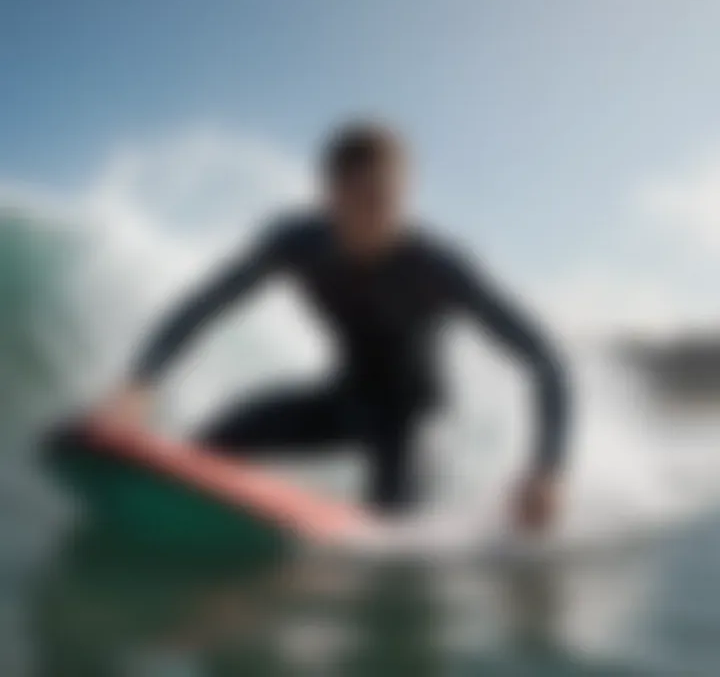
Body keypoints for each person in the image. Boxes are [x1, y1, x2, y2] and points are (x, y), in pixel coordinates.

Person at [89, 122, 569, 530]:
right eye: (355, 202)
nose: (371, 219)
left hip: (413, 421)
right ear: (328, 195)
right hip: (345, 400)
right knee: (210, 446)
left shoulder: (438, 268)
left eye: (385, 202)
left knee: (390, 540)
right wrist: (141, 380)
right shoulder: (298, 243)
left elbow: (544, 359)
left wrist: (547, 467)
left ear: (405, 196)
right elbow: (205, 304)